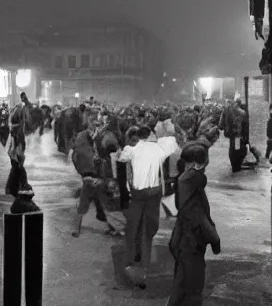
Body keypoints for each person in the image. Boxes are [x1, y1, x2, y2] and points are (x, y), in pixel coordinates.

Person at [118, 124, 179, 288]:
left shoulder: (132, 149)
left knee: (133, 227)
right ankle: (144, 260)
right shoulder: (159, 149)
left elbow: (121, 158)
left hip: (137, 194)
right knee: (149, 227)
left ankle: (131, 260)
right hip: (154, 192)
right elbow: (173, 142)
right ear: (150, 134)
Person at [166, 143, 220, 306]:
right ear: (199, 163)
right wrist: (214, 239)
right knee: (193, 292)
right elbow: (199, 218)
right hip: (191, 245)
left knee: (180, 288)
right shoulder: (191, 183)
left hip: (181, 242)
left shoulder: (183, 181)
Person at [71, 114, 120, 237]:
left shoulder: (102, 137)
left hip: (99, 178)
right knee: (88, 203)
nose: (97, 128)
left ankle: (112, 228)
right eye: (94, 125)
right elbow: (80, 156)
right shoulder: (83, 137)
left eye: (98, 125)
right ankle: (77, 229)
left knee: (100, 204)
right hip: (91, 177)